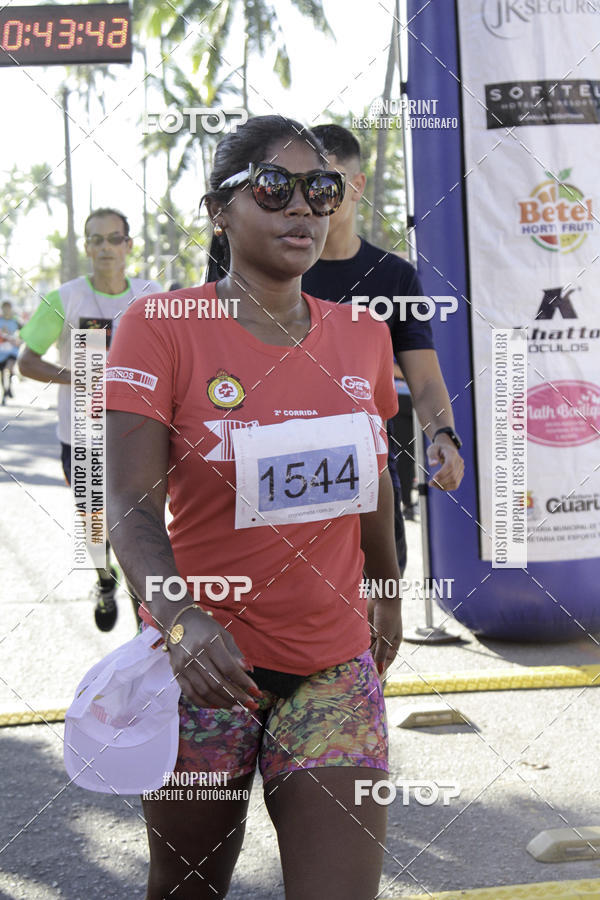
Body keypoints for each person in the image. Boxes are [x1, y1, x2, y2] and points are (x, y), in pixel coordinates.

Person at [104, 115, 417, 900]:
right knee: (187, 886)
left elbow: (370, 479)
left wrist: (384, 589)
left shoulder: (361, 336)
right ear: (220, 209)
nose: (303, 209)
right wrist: (180, 621)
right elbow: (129, 506)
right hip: (205, 671)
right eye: (275, 189)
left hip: (333, 669)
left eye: (323, 190)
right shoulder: (160, 326)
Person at [302, 124, 464, 564]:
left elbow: (425, 377)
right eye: (304, 185)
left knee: (380, 619)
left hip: (370, 478)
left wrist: (445, 435)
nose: (313, 198)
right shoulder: (274, 269)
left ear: (356, 187)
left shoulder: (394, 276)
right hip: (283, 475)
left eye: (327, 184)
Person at [18, 208, 162, 631]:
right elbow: (27, 362)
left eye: (114, 239)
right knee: (96, 529)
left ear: (128, 245)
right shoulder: (64, 298)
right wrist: (79, 377)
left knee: (140, 525)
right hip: (81, 438)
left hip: (138, 435)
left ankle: (144, 612)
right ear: (86, 247)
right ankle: (104, 579)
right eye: (96, 240)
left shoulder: (151, 295)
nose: (105, 248)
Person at [0, 300, 22, 403]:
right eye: (4, 308)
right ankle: (6, 390)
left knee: (7, 370)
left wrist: (19, 340)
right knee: (2, 372)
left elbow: (24, 332)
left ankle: (6, 392)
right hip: (1, 351)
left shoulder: (16, 321)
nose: (6, 310)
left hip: (12, 351)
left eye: (8, 308)